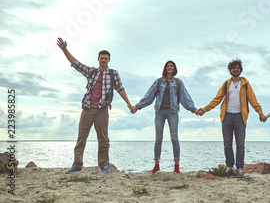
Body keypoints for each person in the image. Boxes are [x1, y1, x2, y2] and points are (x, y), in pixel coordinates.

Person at [56, 37, 133, 173]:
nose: (103, 60)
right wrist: (64, 49)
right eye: (101, 58)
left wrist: (128, 103)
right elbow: (75, 63)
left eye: (106, 58)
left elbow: (120, 88)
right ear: (98, 59)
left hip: (102, 110)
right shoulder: (91, 72)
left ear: (109, 60)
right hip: (88, 108)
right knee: (81, 137)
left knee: (103, 138)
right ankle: (77, 164)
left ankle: (104, 165)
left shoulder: (113, 74)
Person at [196, 59, 266, 176]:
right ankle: (229, 166)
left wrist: (260, 113)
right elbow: (217, 99)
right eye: (233, 68)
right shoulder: (226, 84)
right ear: (230, 70)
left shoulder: (245, 84)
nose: (235, 70)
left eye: (237, 68)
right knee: (227, 143)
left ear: (240, 70)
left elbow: (253, 99)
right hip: (227, 116)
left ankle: (239, 168)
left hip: (240, 116)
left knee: (240, 144)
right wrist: (205, 109)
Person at [130, 60, 198, 174]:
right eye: (168, 66)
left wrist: (193, 109)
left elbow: (184, 97)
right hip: (159, 113)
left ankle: (176, 167)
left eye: (171, 66)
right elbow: (149, 95)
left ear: (174, 68)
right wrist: (138, 106)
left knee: (174, 138)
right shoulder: (159, 82)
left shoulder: (178, 82)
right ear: (165, 68)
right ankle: (156, 165)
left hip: (173, 113)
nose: (169, 67)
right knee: (158, 139)